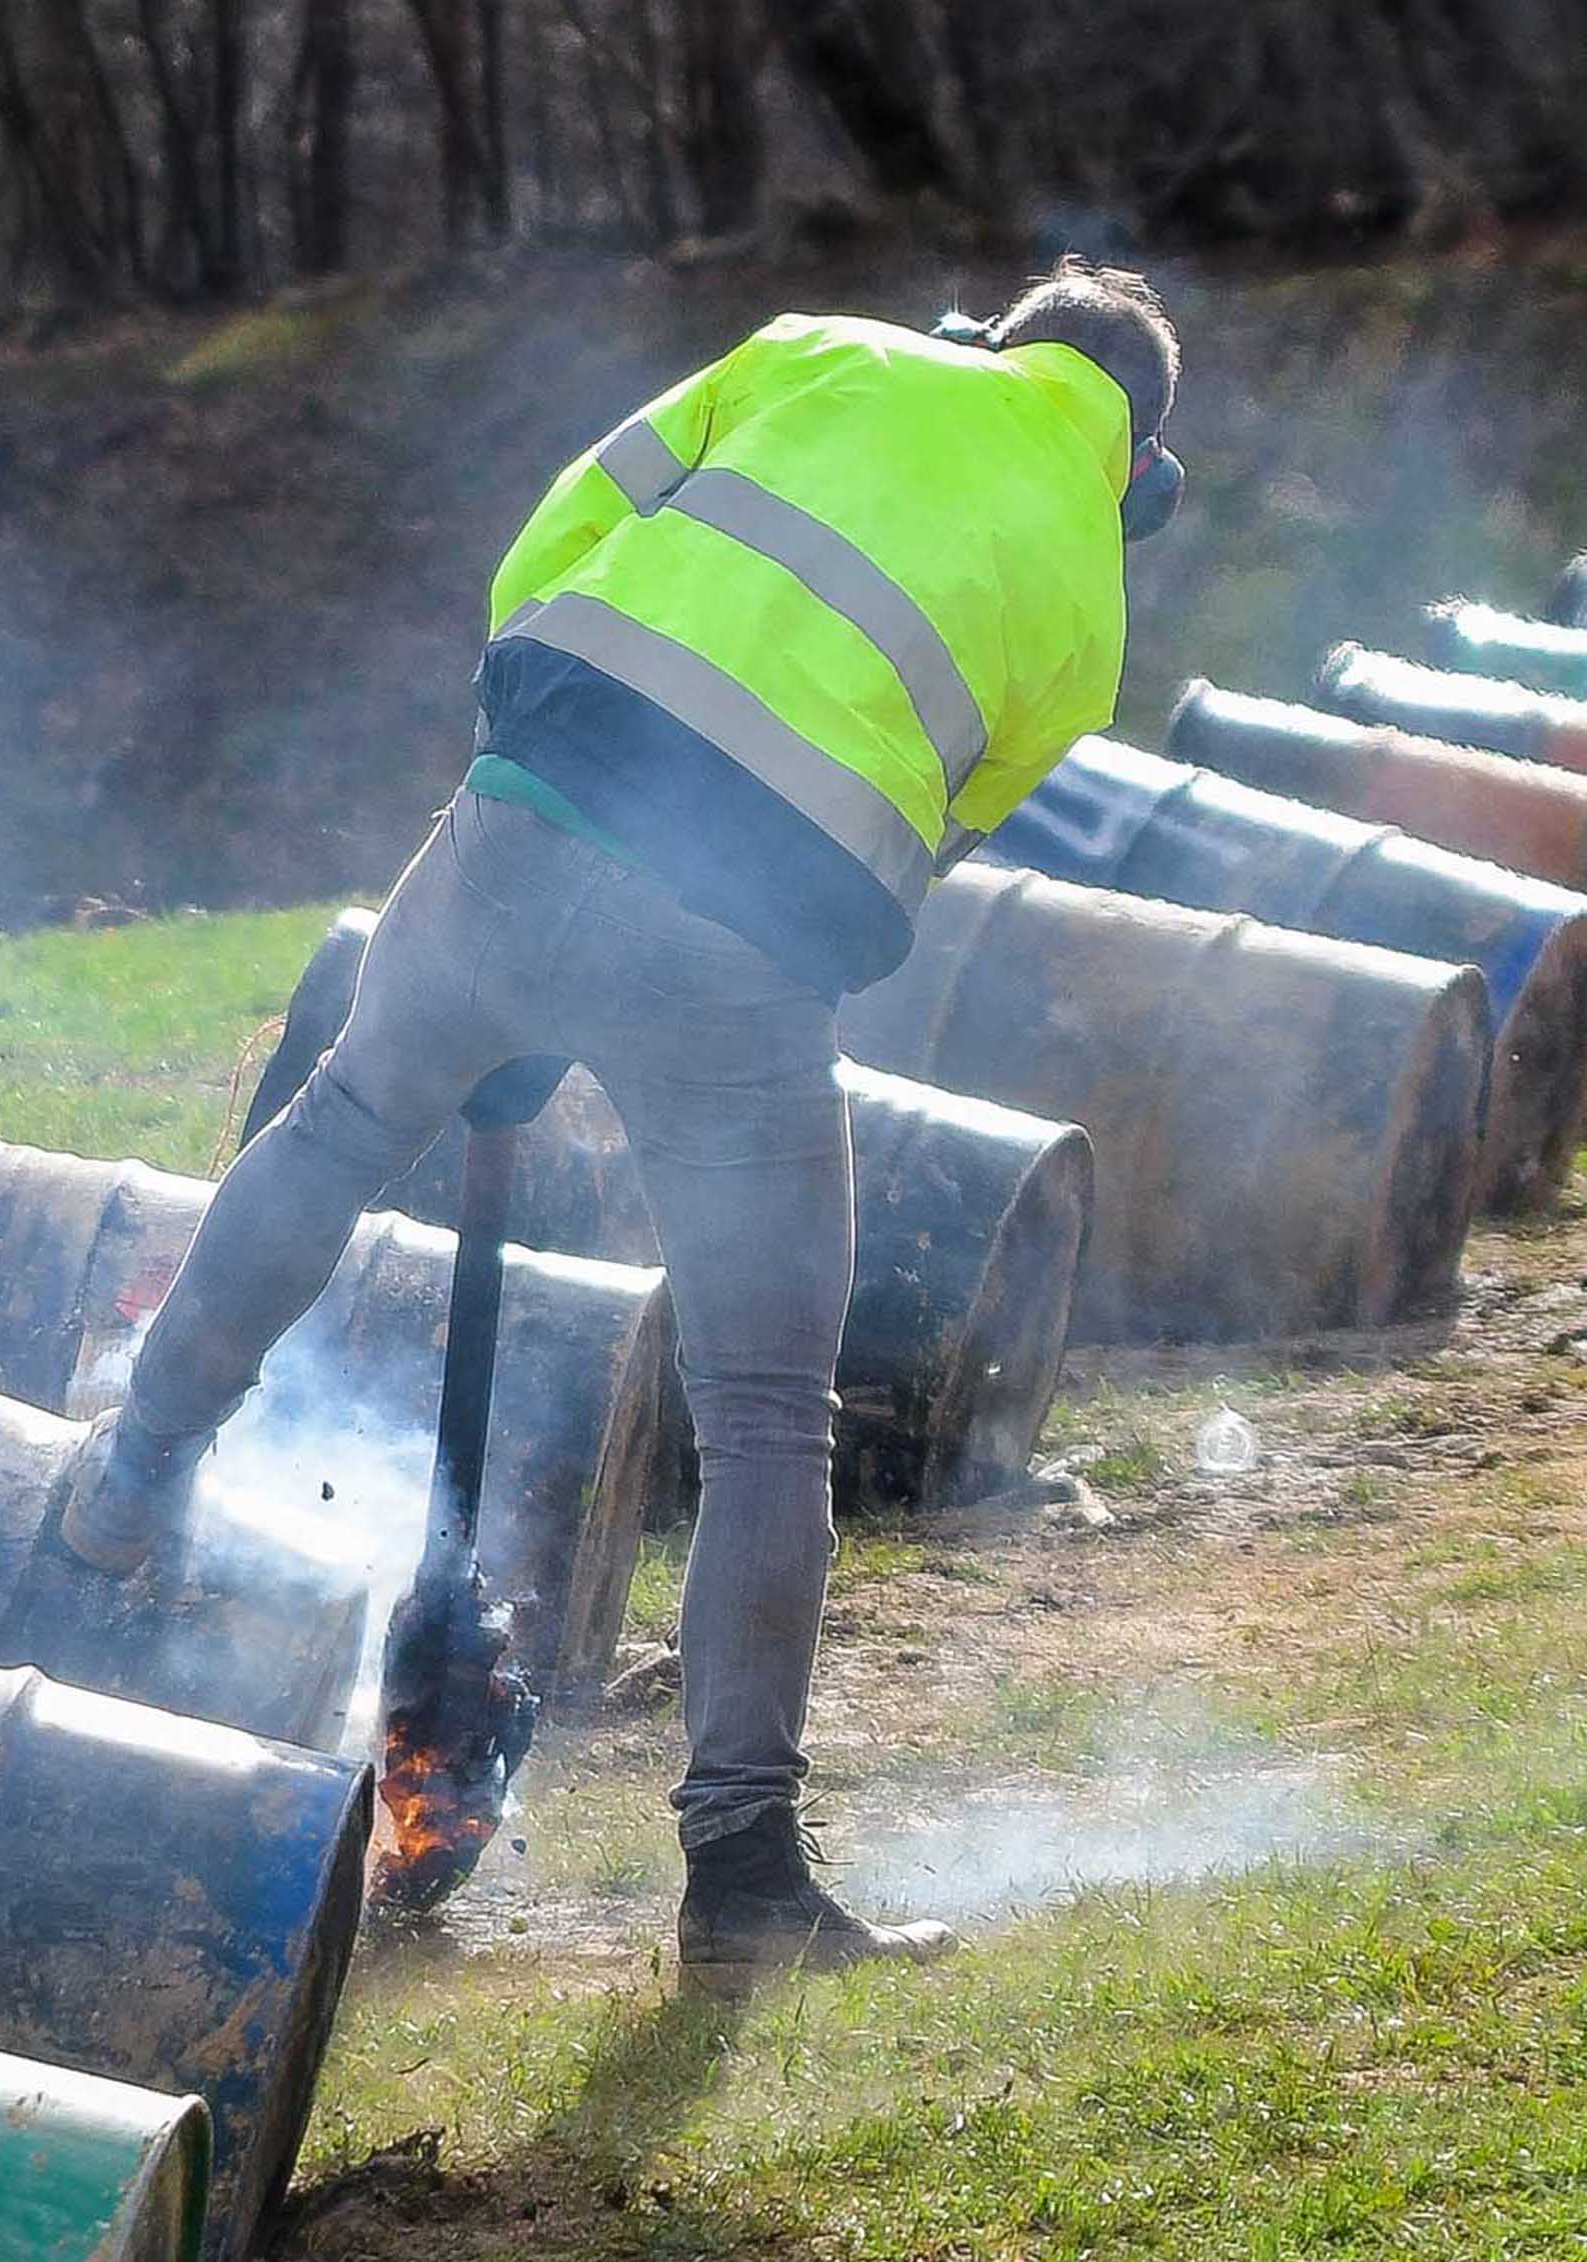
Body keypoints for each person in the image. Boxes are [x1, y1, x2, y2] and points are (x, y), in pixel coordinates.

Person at [62, 259, 1186, 1988]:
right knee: (761, 1415)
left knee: (338, 1124)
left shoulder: (824, 344)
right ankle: (740, 1875)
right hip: (741, 954)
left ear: (993, 339)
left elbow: (547, 547)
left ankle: (127, 1478)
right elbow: (918, 841)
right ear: (1137, 463)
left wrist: (527, 810)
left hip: (527, 811)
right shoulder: (1095, 616)